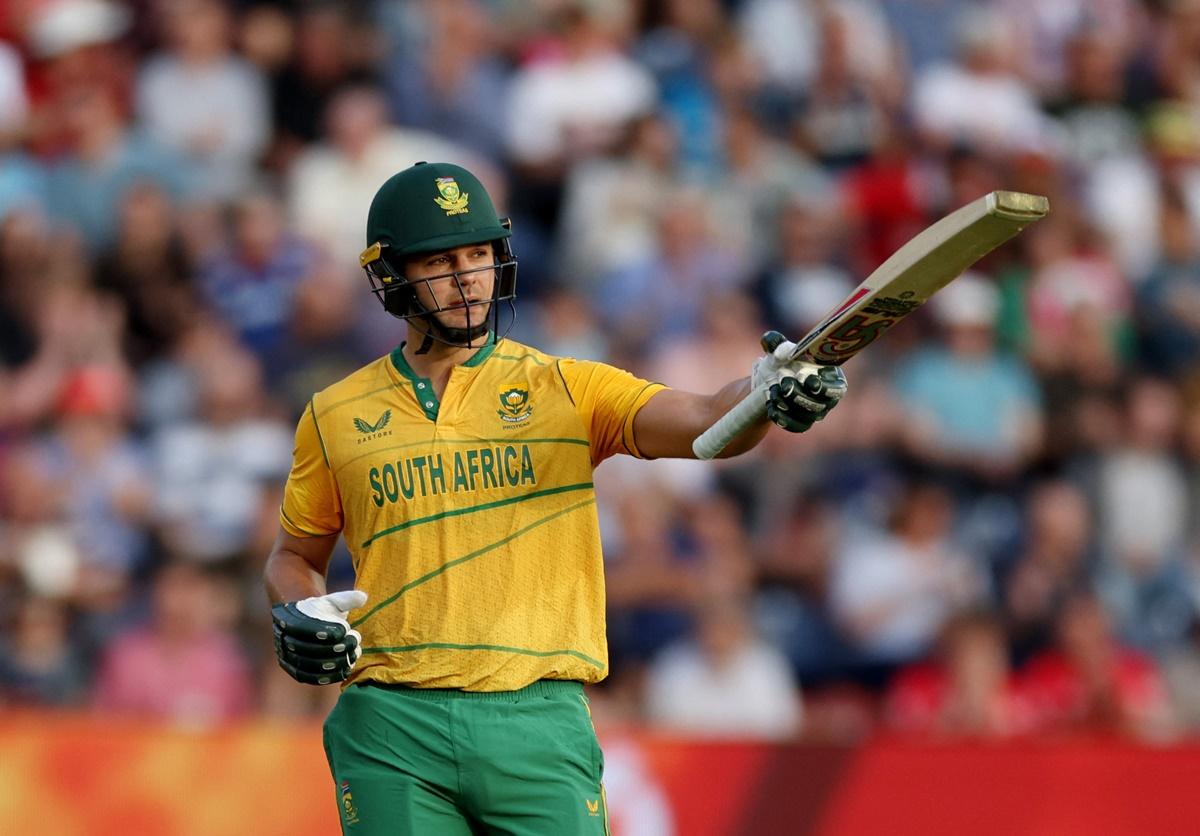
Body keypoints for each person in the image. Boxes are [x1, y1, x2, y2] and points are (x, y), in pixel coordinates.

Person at [262, 161, 846, 835]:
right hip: (391, 724)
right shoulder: (333, 413)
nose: (466, 278)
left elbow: (705, 421)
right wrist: (298, 609)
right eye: (441, 260)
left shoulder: (565, 387)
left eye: (479, 254)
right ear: (391, 274)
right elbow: (293, 556)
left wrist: (768, 392)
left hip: (537, 720)